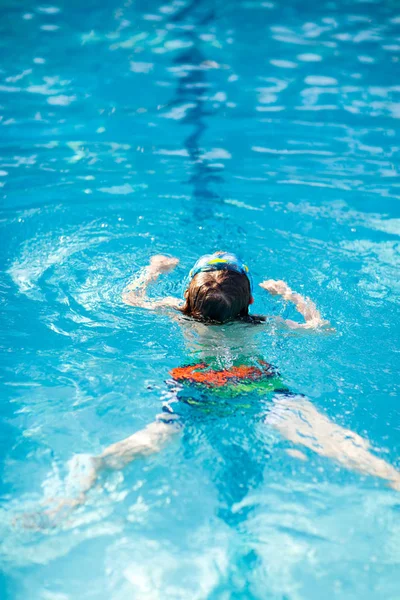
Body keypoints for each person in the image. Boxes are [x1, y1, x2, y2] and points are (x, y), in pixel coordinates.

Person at [37, 252, 400, 523]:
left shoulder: (175, 312)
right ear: (250, 301)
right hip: (253, 379)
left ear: (187, 298)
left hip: (196, 380)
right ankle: (388, 476)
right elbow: (320, 327)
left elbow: (129, 299)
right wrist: (290, 295)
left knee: (154, 437)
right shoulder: (261, 322)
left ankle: (99, 464)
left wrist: (152, 271)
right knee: (324, 433)